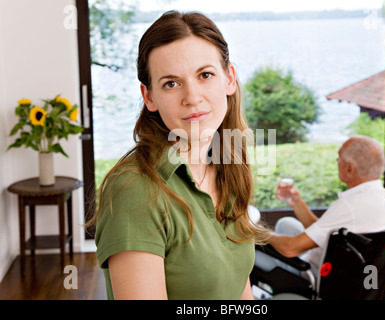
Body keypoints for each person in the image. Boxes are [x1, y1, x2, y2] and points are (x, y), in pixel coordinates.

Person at [87, 11, 269, 300]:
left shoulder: (228, 167)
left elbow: (239, 288)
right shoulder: (135, 189)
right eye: (171, 83)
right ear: (149, 97)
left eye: (205, 75)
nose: (192, 97)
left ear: (229, 79)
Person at [255, 135, 385, 277]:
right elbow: (325, 230)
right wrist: (296, 202)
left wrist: (256, 232)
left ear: (349, 169)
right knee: (286, 224)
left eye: (339, 158)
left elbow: (290, 249)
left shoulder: (349, 207)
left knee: (252, 251)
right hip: (351, 265)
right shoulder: (380, 198)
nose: (337, 161)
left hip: (315, 274)